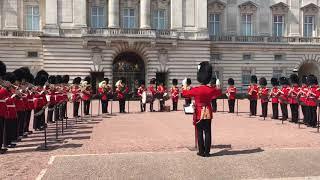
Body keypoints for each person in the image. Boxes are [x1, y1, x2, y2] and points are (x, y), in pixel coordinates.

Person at [182, 61, 221, 157]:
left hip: (199, 112)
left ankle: (201, 151)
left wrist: (184, 85)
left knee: (199, 132)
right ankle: (207, 152)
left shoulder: (196, 89)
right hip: (208, 111)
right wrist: (218, 85)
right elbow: (218, 93)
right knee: (208, 132)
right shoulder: (210, 90)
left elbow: (184, 94)